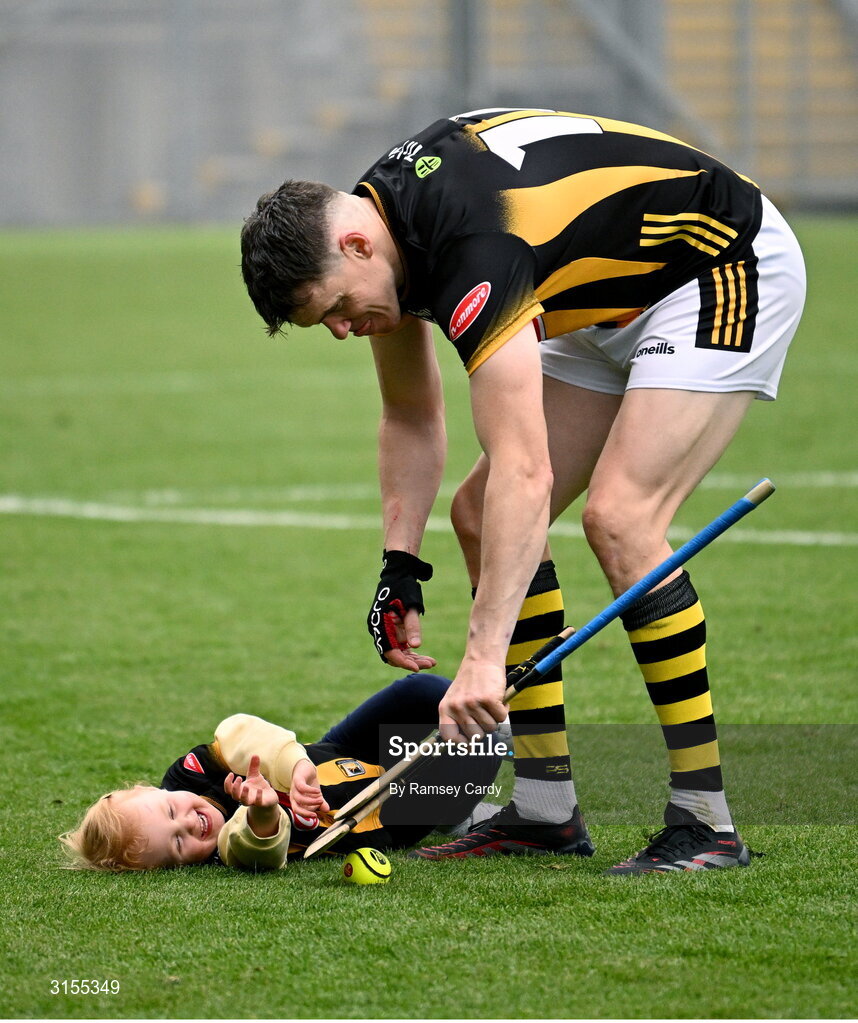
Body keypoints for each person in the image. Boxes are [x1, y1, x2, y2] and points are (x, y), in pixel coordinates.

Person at [239, 108, 805, 874]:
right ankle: (545, 810)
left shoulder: (473, 249)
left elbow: (527, 469)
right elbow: (410, 413)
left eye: (338, 308)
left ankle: (706, 819)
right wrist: (399, 567)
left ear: (356, 244)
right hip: (607, 294)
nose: (344, 329)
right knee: (476, 515)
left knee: (621, 517)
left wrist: (482, 656)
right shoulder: (385, 222)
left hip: (721, 262)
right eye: (326, 323)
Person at [60, 672, 509, 871]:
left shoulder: (186, 775)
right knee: (469, 751)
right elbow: (256, 850)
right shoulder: (224, 853)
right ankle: (462, 804)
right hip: (378, 812)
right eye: (176, 844)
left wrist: (295, 766)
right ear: (174, 866)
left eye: (169, 809)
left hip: (340, 753)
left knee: (421, 691)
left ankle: (483, 751)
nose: (188, 822)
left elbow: (239, 732)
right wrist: (261, 816)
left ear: (150, 788)